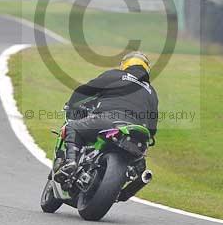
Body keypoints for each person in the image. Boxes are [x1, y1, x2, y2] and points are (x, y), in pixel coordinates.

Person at [56, 51, 159, 180]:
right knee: (138, 164)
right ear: (146, 69)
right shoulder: (152, 92)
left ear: (124, 65)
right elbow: (153, 126)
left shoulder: (115, 75)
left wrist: (72, 105)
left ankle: (70, 162)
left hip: (109, 119)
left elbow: (84, 91)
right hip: (138, 132)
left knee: (72, 126)